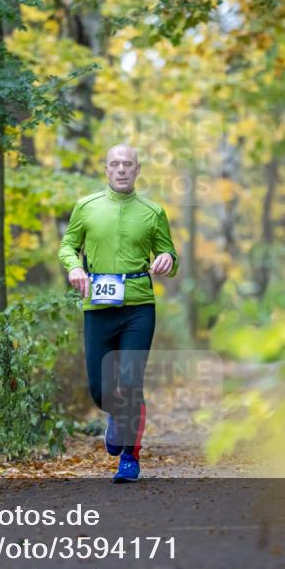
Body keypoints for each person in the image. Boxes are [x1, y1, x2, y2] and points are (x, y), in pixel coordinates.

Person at [59, 144, 179, 483]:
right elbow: (68, 246)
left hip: (138, 307)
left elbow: (169, 255)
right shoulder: (86, 206)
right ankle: (115, 414)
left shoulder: (153, 211)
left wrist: (167, 259)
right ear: (106, 169)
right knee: (100, 389)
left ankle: (130, 457)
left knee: (130, 381)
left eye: (128, 164)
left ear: (138, 169)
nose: (122, 169)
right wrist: (74, 268)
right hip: (97, 307)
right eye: (115, 164)